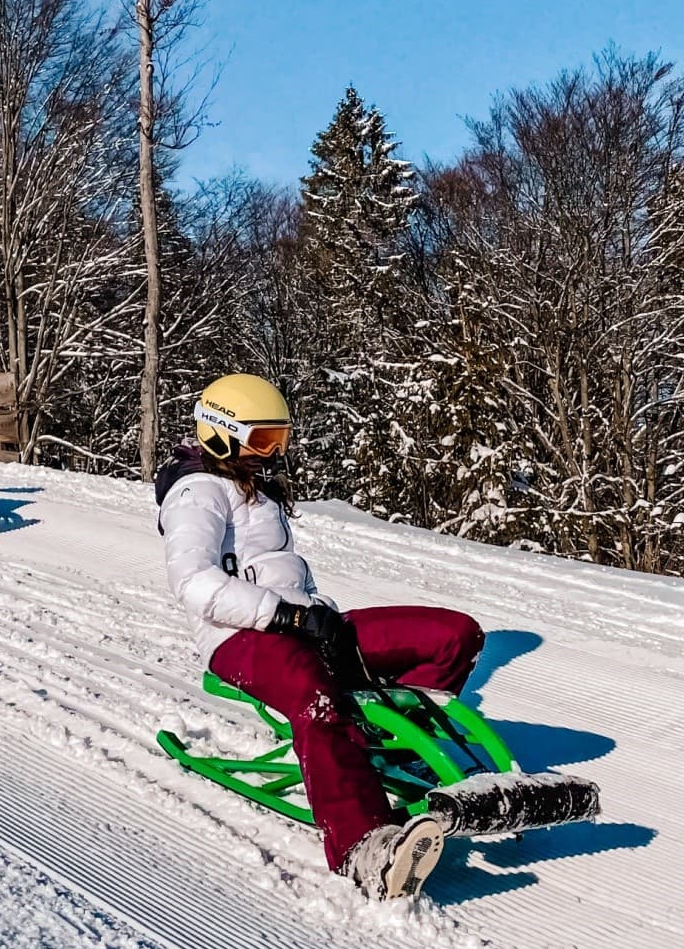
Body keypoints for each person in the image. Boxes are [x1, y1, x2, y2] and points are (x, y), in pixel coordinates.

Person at [154, 373, 486, 900]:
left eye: (278, 439)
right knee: (314, 694)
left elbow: (286, 574)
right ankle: (365, 847)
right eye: (261, 440)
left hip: (307, 620)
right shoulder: (197, 492)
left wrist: (317, 617)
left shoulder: (254, 487)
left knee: (452, 635)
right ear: (219, 434)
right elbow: (195, 584)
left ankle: (392, 757)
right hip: (238, 636)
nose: (272, 453)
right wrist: (287, 619)